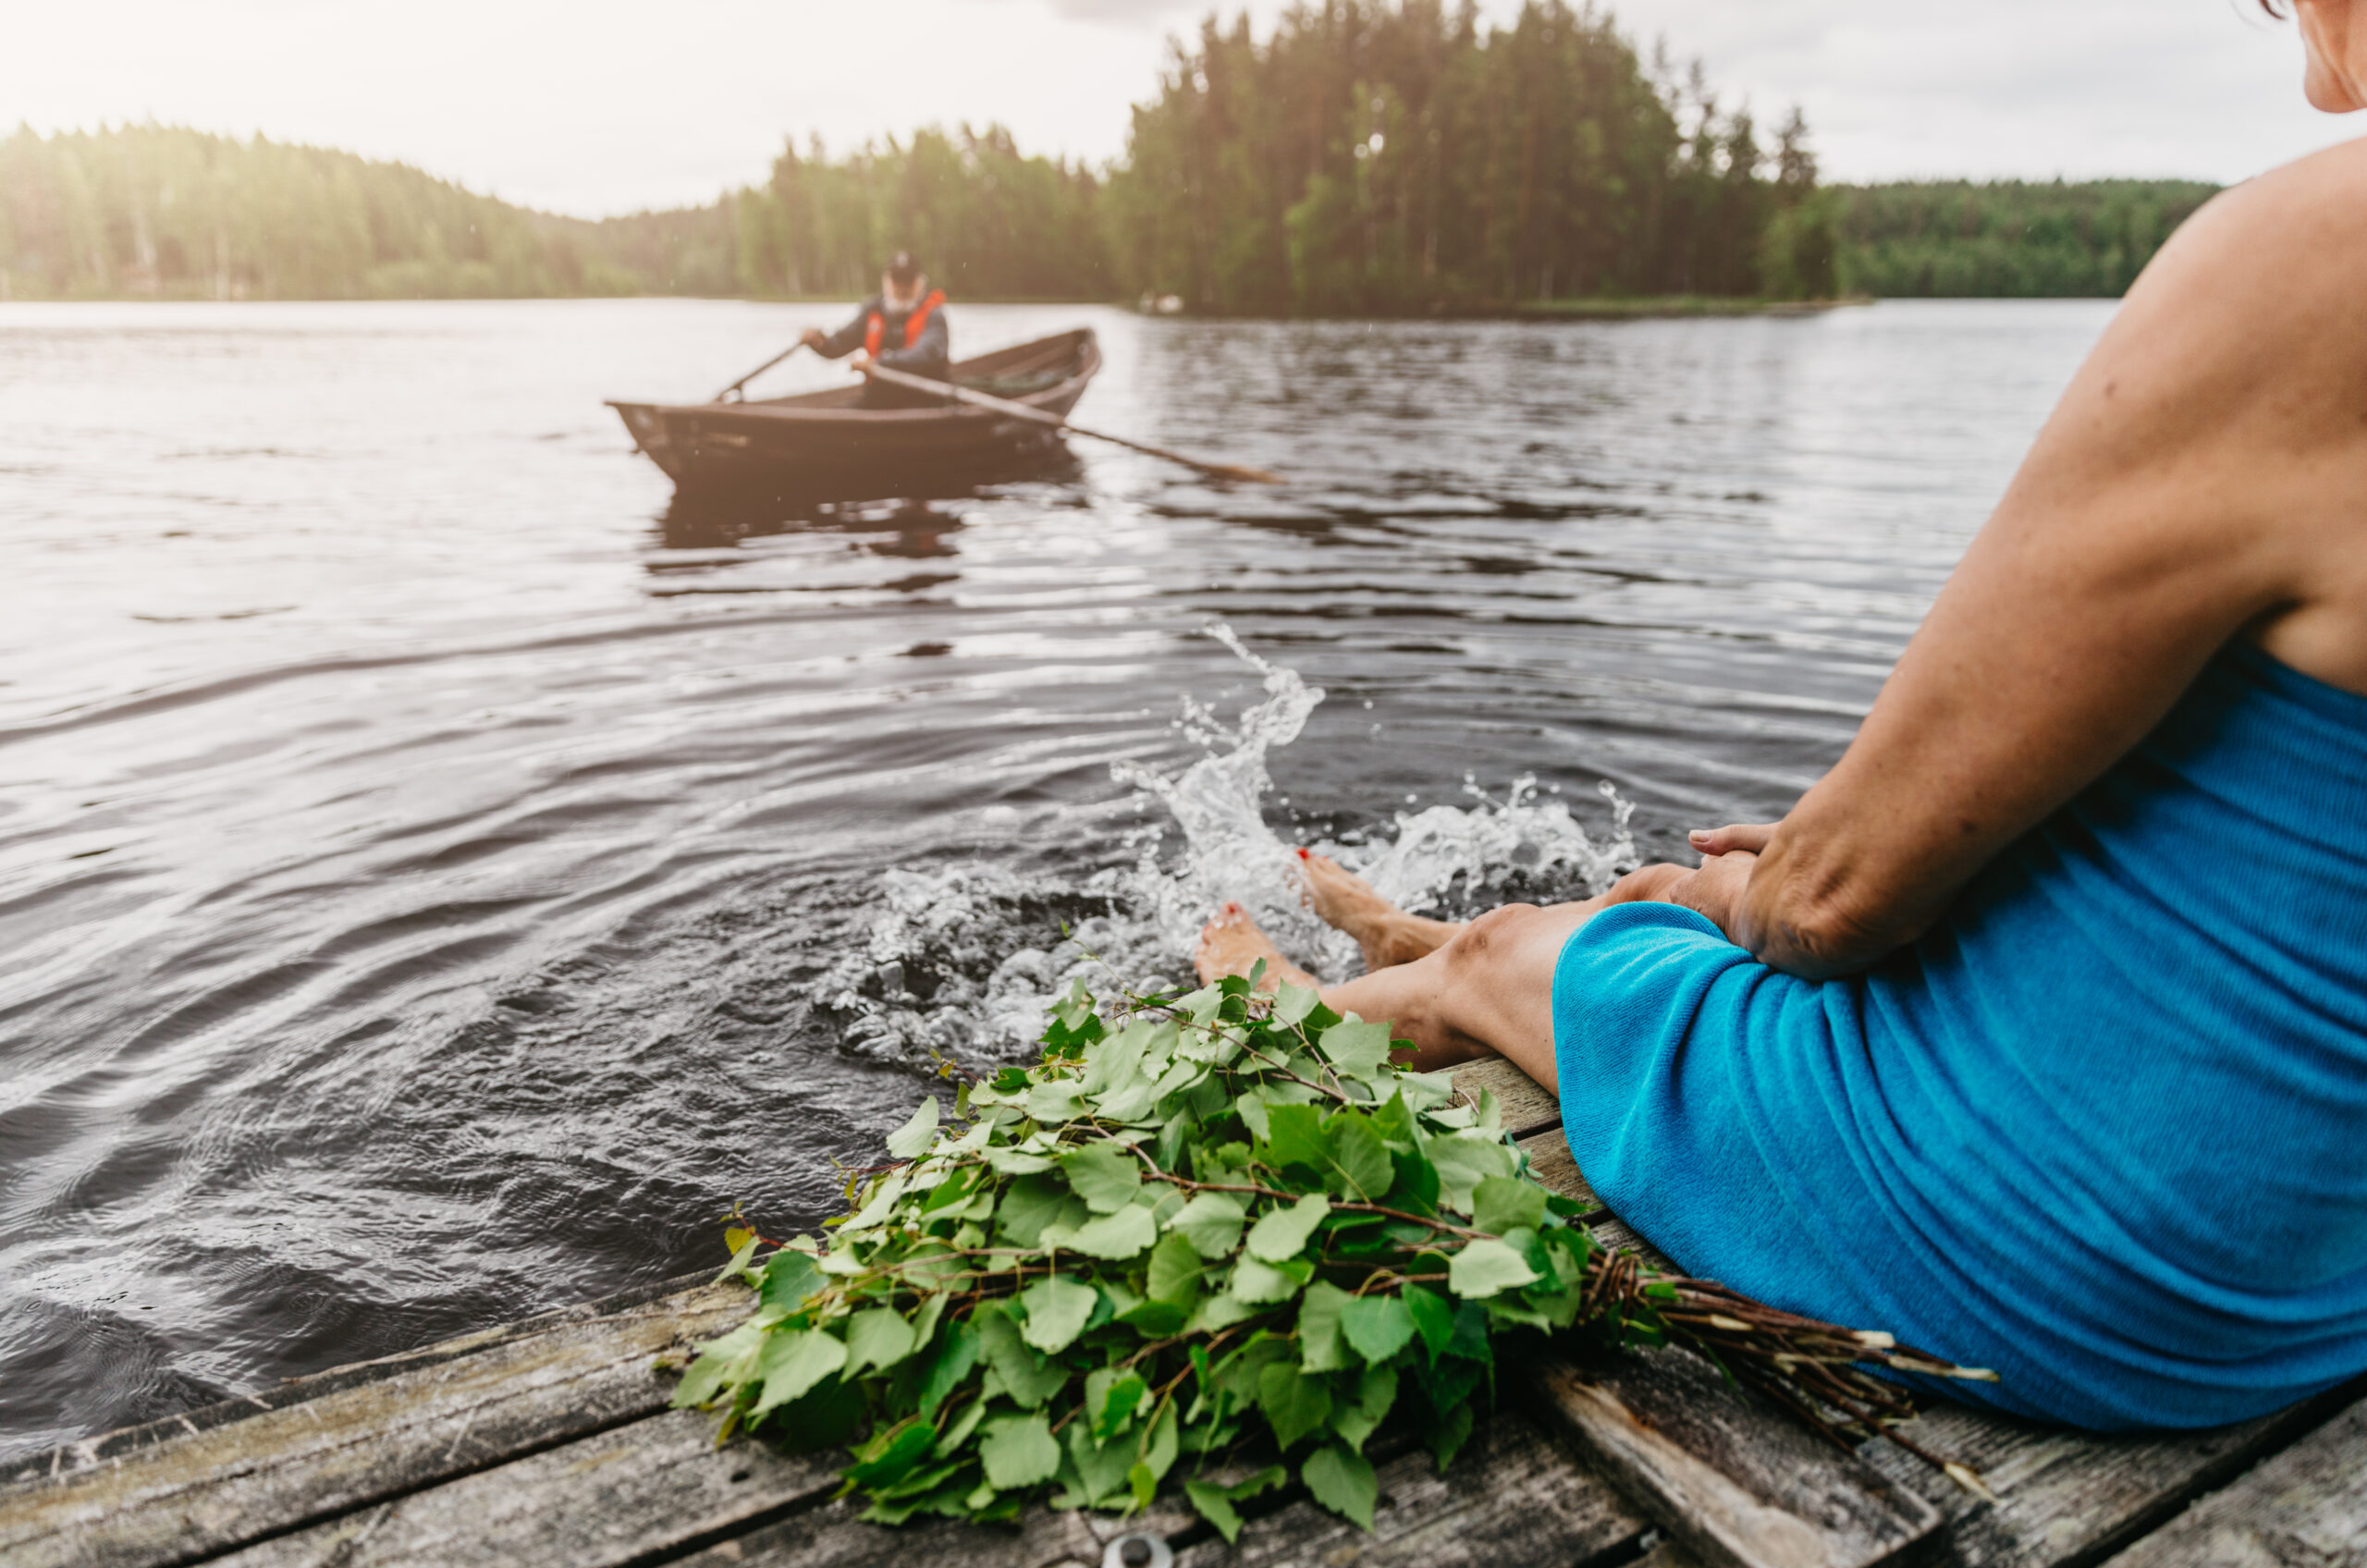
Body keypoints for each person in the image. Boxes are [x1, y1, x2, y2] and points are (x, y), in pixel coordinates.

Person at [1195, 0, 2367, 1433]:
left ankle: (1327, 1004)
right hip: (2331, 1273)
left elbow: (1839, 905)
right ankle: (1456, 949)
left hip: (2092, 1269)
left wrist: (1747, 883)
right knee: (1681, 919)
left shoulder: (2318, 259)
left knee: (1567, 938)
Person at [801, 252, 950, 409]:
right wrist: (819, 343)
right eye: (896, 279)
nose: (901, 287)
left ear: (920, 283)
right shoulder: (873, 311)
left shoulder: (934, 316)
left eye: (907, 280)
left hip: (924, 400)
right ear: (887, 282)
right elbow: (838, 345)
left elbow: (927, 354)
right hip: (879, 399)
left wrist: (880, 362)